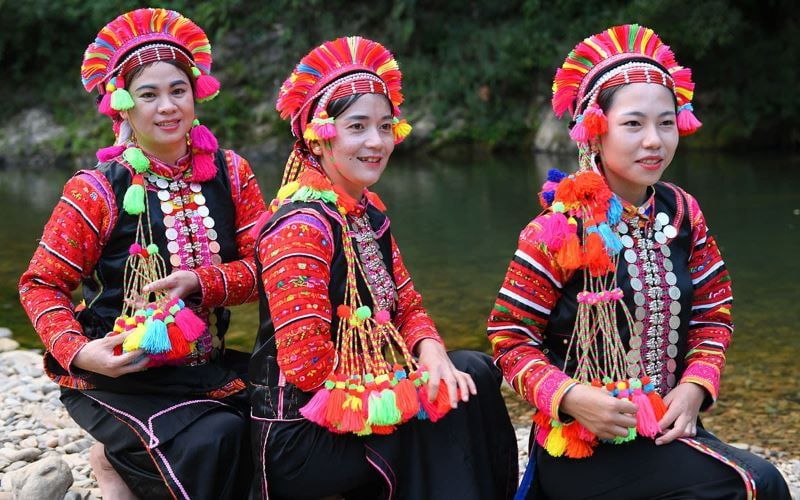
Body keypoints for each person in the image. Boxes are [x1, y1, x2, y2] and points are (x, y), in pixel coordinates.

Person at [488, 24, 790, 499]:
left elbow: (715, 310)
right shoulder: (557, 227)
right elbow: (509, 338)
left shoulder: (683, 211)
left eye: (665, 122)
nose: (654, 140)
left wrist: (694, 386)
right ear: (596, 128)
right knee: (755, 483)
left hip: (667, 428)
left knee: (759, 482)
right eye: (634, 124)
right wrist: (571, 398)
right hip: (584, 446)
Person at [249, 36, 518, 499]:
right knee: (444, 414)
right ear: (319, 134)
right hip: (304, 431)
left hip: (364, 395)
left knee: (471, 371)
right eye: (357, 127)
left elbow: (407, 303)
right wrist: (405, 388)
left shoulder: (366, 211)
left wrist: (431, 352)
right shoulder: (299, 227)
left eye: (386, 126)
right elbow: (308, 368)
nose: (377, 142)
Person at [18, 8, 266, 499]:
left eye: (178, 90)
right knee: (219, 438)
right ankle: (114, 461)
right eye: (148, 95)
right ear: (123, 106)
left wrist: (203, 282)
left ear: (196, 94)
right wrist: (81, 352)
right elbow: (41, 283)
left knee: (280, 426)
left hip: (205, 367)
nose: (167, 107)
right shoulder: (96, 190)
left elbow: (267, 268)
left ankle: (118, 463)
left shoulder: (232, 173)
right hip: (121, 377)